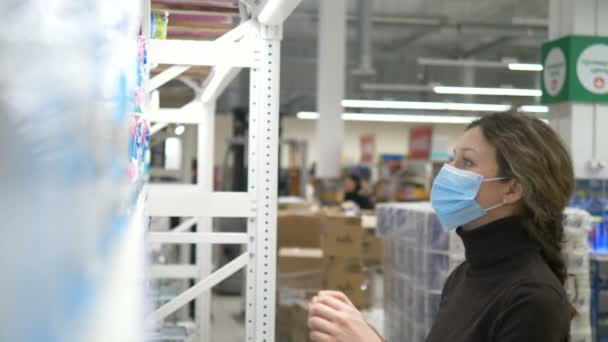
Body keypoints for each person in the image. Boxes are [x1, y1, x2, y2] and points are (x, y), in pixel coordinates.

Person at [307, 112, 574, 342]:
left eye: (466, 162)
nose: (447, 170)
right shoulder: (465, 274)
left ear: (513, 189)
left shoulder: (533, 300)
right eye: (452, 159)